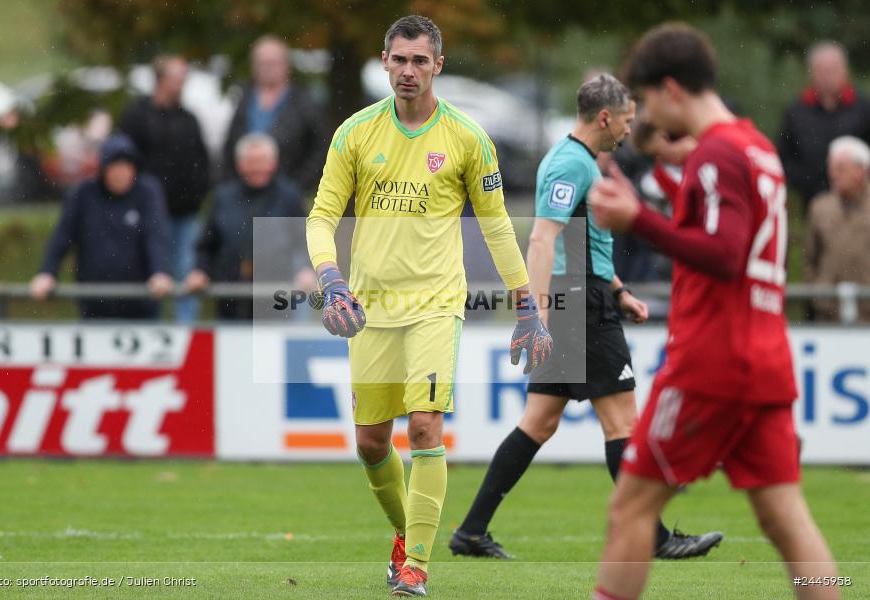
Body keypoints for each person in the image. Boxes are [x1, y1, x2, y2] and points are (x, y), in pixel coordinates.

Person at [588, 24, 839, 600]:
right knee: (785, 518)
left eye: (647, 100)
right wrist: (654, 204)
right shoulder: (756, 147)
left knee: (629, 507)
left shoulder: (718, 152)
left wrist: (637, 222)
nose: (647, 114)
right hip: (765, 359)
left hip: (712, 361)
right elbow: (728, 236)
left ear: (671, 89)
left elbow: (725, 254)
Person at [305, 15, 552, 597]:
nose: (408, 70)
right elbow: (321, 216)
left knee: (422, 428)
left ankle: (416, 564)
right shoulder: (355, 133)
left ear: (438, 65)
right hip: (370, 308)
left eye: (420, 60)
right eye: (399, 59)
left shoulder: (468, 137)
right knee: (370, 443)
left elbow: (495, 227)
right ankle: (405, 535)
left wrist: (528, 304)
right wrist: (331, 277)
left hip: (437, 304)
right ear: (384, 62)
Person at [449, 75, 722, 562]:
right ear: (604, 117)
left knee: (539, 423)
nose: (628, 128)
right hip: (577, 304)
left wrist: (619, 290)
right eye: (626, 120)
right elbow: (542, 240)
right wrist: (535, 313)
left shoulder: (581, 162)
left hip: (586, 295)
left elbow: (583, 241)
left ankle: (471, 531)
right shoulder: (571, 164)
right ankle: (656, 539)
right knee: (623, 423)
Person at [30, 134, 173, 319]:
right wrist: (47, 272)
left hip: (141, 304)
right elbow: (62, 236)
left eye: (126, 166)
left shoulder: (147, 192)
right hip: (94, 305)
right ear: (104, 169)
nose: (120, 173)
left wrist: (159, 271)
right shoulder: (84, 194)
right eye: (115, 166)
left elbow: (156, 235)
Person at [118, 54, 210, 323]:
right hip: (148, 214)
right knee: (153, 273)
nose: (182, 84)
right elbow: (123, 161)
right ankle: (152, 327)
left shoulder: (188, 119)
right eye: (177, 77)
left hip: (186, 211)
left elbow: (201, 162)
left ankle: (186, 330)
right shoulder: (137, 116)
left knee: (187, 272)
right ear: (161, 79)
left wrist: (197, 194)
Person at [186, 133, 311, 320]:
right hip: (230, 300)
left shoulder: (289, 197)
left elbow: (306, 241)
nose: (257, 167)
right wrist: (200, 271)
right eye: (251, 161)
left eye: (262, 161)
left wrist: (307, 269)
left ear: (273, 163)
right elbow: (206, 244)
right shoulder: (223, 197)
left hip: (277, 301)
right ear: (240, 165)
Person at [222, 36, 328, 192]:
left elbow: (320, 149)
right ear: (253, 66)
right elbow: (230, 145)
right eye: (263, 63)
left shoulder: (303, 103)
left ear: (286, 65)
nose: (268, 68)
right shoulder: (244, 99)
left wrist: (297, 186)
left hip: (287, 195)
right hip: (244, 194)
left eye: (273, 62)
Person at [778, 41, 870, 211]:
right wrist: (805, 181)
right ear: (811, 73)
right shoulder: (797, 111)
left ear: (845, 70)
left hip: (860, 204)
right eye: (821, 70)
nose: (827, 76)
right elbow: (785, 156)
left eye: (833, 69)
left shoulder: (863, 109)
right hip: (811, 203)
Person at [804, 135, 870, 322]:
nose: (833, 174)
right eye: (831, 167)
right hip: (828, 314)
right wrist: (817, 291)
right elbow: (809, 258)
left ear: (860, 171)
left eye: (840, 168)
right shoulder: (819, 207)